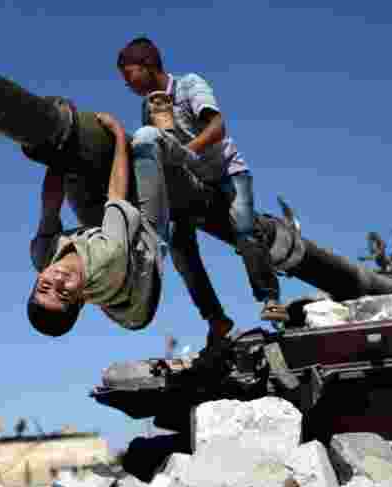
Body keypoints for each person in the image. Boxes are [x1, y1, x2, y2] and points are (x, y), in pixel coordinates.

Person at [115, 36, 288, 328]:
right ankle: (215, 318)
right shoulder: (149, 108)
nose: (127, 84)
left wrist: (187, 152)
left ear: (146, 65)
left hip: (226, 172)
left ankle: (270, 298)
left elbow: (217, 127)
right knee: (180, 246)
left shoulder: (188, 85)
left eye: (128, 75)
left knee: (244, 230)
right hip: (192, 183)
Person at [27, 112, 174, 336]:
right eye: (64, 293)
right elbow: (117, 194)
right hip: (144, 246)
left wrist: (55, 153)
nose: (58, 279)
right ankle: (191, 156)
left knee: (73, 170)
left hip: (101, 241)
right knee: (146, 139)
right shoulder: (107, 258)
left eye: (45, 286)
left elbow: (51, 207)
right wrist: (118, 133)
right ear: (82, 300)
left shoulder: (42, 254)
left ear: (38, 278)